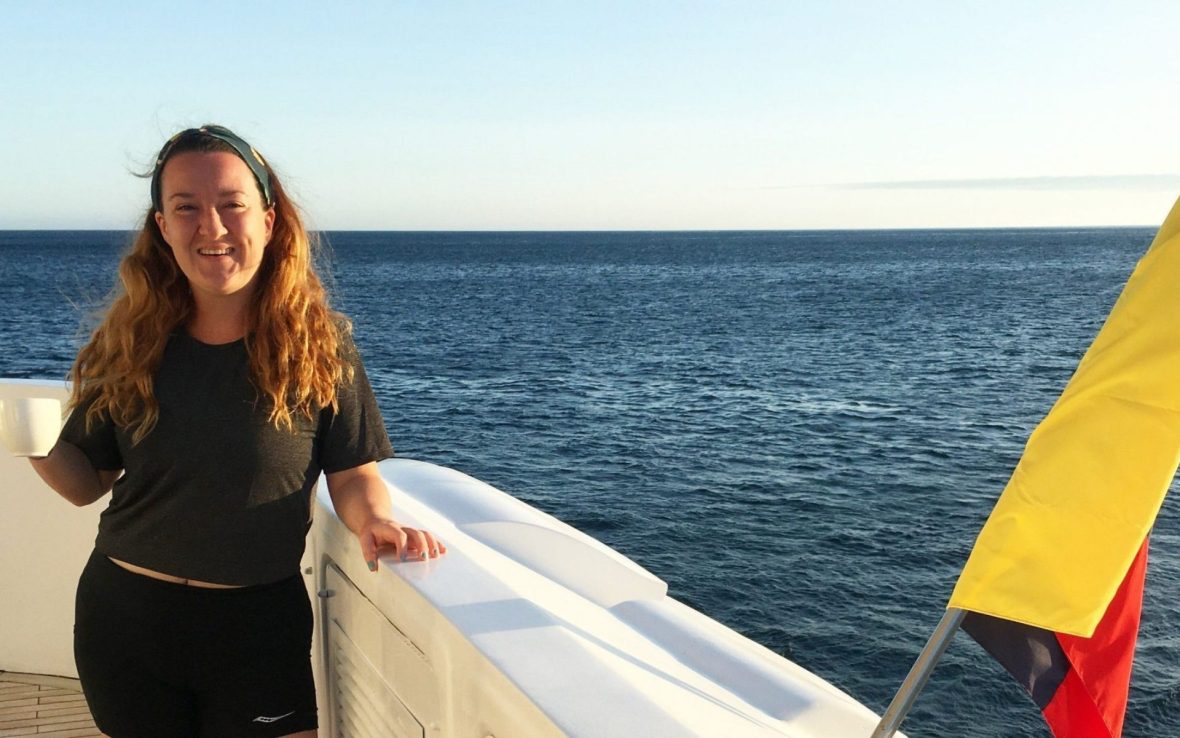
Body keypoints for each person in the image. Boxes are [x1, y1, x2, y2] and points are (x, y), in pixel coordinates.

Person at [24, 124, 445, 738]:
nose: (212, 227)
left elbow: (352, 470)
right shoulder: (131, 344)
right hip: (125, 620)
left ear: (269, 221)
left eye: (231, 205)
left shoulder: (318, 347)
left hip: (256, 626)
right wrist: (31, 443)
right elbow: (85, 483)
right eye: (186, 208)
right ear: (163, 228)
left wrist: (374, 521)